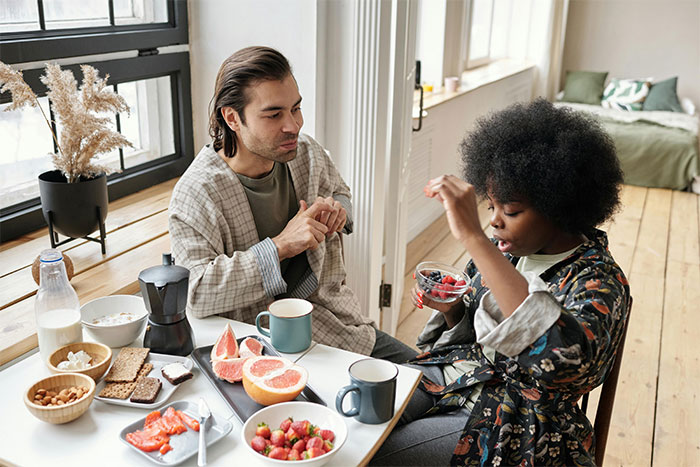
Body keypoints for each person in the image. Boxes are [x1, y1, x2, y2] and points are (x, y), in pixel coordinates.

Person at [371, 99, 631, 466]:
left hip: (518, 416)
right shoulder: (505, 250)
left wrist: (473, 239)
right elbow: (475, 329)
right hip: (457, 376)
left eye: (510, 211)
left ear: (560, 204)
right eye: (490, 207)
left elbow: (563, 362)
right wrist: (452, 310)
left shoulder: (600, 283)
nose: (494, 222)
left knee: (378, 454)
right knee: (362, 423)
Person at [169, 46, 415, 362]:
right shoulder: (195, 194)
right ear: (232, 118)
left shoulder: (306, 152)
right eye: (274, 114)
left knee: (433, 385)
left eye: (295, 108)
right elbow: (197, 293)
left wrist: (337, 212)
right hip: (257, 342)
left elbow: (341, 193)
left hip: (331, 320)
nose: (293, 125)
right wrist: (282, 245)